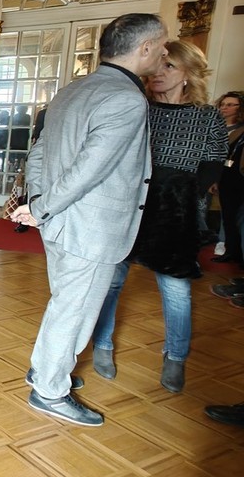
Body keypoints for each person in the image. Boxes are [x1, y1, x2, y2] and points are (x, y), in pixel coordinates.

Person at [10, 13, 167, 427]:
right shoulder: (126, 98)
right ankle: (50, 391)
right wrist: (41, 207)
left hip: (60, 222)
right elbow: (89, 170)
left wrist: (40, 203)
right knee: (74, 309)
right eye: (161, 45)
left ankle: (46, 368)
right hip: (90, 227)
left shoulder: (73, 88)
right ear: (145, 48)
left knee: (66, 303)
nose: (165, 52)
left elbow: (38, 152)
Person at [89, 40, 225, 394]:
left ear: (188, 73)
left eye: (169, 67)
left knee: (177, 289)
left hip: (175, 212)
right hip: (129, 207)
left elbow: (214, 160)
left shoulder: (207, 116)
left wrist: (187, 195)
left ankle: (175, 356)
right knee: (111, 282)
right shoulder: (138, 107)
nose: (157, 75)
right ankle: (102, 344)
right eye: (156, 67)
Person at [213, 91, 244, 263]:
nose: (225, 108)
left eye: (230, 105)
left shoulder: (241, 130)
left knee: (236, 218)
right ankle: (230, 251)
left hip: (237, 178)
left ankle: (236, 253)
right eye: (223, 104)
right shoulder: (216, 126)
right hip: (223, 177)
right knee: (228, 217)